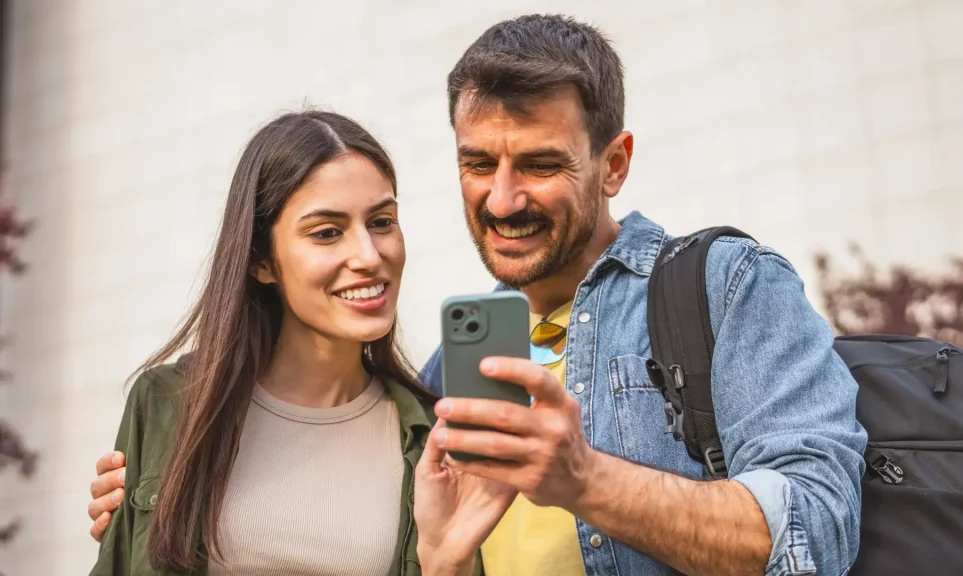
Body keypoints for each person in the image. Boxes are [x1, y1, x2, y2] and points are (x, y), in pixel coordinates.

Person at [90, 13, 868, 576]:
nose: (502, 200)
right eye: (476, 163)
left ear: (614, 164)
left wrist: (587, 481)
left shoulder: (725, 289)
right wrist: (162, 496)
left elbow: (819, 527)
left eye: (538, 164)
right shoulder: (436, 383)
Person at [87, 110, 510, 575]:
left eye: (382, 222)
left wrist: (447, 563)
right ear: (261, 262)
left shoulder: (431, 439)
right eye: (327, 232)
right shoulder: (167, 404)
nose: (369, 256)